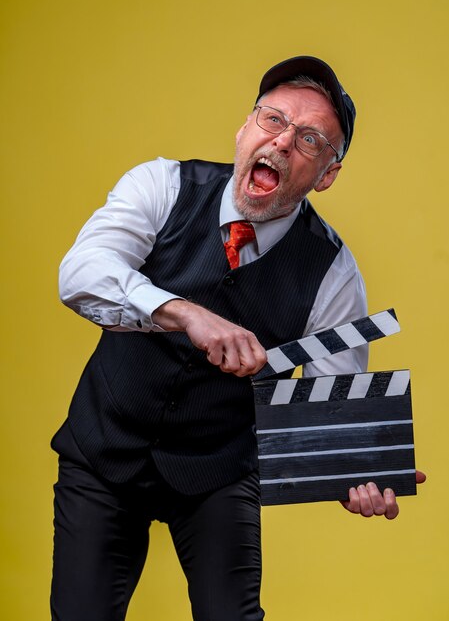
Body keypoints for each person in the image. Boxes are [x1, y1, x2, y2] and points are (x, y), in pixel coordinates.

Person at [50, 56, 422, 621]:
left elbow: (332, 420)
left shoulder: (335, 274)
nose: (283, 141)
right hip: (103, 450)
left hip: (218, 473)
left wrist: (353, 471)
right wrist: (184, 313)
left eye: (310, 138)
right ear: (245, 129)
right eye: (272, 120)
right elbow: (80, 274)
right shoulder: (162, 184)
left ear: (327, 173)